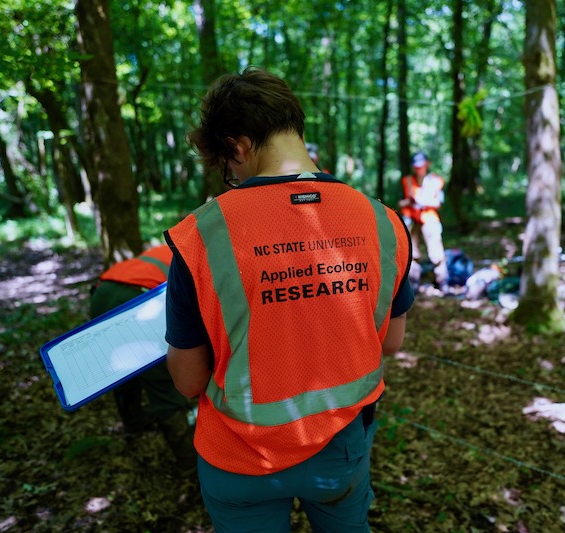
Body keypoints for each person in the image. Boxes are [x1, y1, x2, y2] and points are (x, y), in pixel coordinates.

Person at [163, 67, 414, 532]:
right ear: (295, 128)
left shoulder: (201, 235)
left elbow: (187, 379)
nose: (231, 176)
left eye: (227, 165)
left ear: (237, 145)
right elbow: (392, 342)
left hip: (237, 458)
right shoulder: (385, 224)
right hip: (341, 448)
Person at [90, 245, 195, 473]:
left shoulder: (173, 246)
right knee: (163, 384)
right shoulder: (205, 260)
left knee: (119, 367)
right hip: (140, 300)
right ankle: (188, 461)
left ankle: (133, 422)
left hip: (103, 291)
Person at [399, 151, 449, 294]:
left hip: (429, 219)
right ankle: (413, 283)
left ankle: (442, 281)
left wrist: (423, 202)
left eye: (421, 166)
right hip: (411, 220)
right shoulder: (407, 181)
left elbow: (439, 202)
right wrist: (409, 202)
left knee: (436, 253)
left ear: (427, 164)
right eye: (416, 166)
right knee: (412, 253)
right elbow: (400, 201)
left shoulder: (435, 181)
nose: (418, 169)